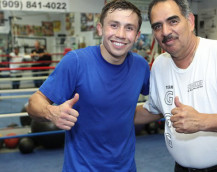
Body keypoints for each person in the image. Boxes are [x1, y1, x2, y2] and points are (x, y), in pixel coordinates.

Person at [135, 0, 217, 171]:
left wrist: (201, 121)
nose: (165, 31)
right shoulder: (160, 65)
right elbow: (156, 109)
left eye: (173, 21)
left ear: (190, 21)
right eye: (157, 26)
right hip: (181, 168)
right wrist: (108, 114)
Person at [27, 0, 149, 171]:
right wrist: (51, 112)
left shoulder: (140, 66)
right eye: (114, 25)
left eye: (129, 28)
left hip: (126, 167)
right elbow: (34, 102)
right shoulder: (76, 61)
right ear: (100, 28)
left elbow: (150, 106)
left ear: (137, 35)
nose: (121, 34)